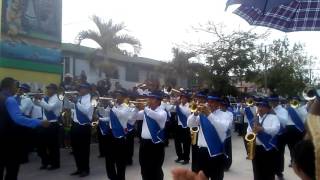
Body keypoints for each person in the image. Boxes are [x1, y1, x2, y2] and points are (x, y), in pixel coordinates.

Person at [0, 77, 49, 180]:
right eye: (16, 86)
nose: (17, 89)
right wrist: (39, 122)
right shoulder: (10, 100)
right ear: (10, 86)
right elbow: (18, 119)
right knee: (11, 170)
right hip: (8, 141)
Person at [187, 95, 229, 180]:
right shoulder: (201, 114)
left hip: (216, 152)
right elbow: (190, 124)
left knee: (216, 177)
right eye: (209, 102)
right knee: (202, 177)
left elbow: (223, 128)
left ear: (218, 104)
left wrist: (209, 114)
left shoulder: (225, 115)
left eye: (212, 102)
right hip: (202, 151)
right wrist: (194, 114)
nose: (209, 104)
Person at [104, 90, 136, 180]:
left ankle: (121, 178)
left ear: (124, 97)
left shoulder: (126, 107)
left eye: (119, 95)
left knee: (120, 161)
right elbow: (106, 115)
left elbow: (121, 115)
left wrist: (112, 107)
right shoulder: (113, 106)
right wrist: (102, 107)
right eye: (116, 95)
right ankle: (113, 177)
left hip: (120, 135)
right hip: (110, 133)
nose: (117, 97)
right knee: (109, 159)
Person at [246, 98, 280, 180]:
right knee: (257, 171)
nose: (260, 108)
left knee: (268, 171)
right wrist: (251, 133)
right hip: (255, 148)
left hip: (268, 149)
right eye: (259, 106)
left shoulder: (273, 117)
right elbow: (248, 131)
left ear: (268, 109)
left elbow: (276, 129)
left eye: (263, 106)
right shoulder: (254, 119)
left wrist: (262, 129)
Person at [136, 90, 167, 180]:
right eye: (149, 98)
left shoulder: (162, 112)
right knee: (144, 168)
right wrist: (135, 108)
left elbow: (157, 117)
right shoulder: (146, 111)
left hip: (156, 144)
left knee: (155, 169)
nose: (149, 100)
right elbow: (134, 117)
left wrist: (144, 108)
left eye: (152, 99)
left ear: (158, 101)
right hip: (144, 143)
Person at [66, 82, 94, 177]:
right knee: (76, 149)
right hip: (75, 125)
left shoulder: (91, 99)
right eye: (80, 88)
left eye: (83, 88)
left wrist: (76, 102)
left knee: (84, 150)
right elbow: (68, 107)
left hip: (84, 126)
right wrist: (66, 99)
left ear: (88, 89)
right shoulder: (79, 98)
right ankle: (79, 168)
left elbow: (86, 111)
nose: (80, 90)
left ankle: (85, 169)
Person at [34, 83, 63, 170]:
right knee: (41, 145)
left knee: (52, 146)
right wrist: (36, 100)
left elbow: (49, 108)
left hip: (53, 124)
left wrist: (40, 99)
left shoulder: (57, 98)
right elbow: (38, 105)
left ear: (54, 90)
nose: (48, 90)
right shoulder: (46, 98)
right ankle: (45, 162)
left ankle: (54, 164)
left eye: (50, 89)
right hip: (44, 123)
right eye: (48, 89)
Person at [269, 94, 288, 180]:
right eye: (271, 101)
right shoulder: (269, 109)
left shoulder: (283, 110)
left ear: (277, 101)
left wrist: (275, 114)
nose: (271, 103)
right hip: (272, 134)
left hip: (280, 135)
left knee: (279, 154)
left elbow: (284, 122)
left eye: (273, 101)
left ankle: (279, 172)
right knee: (271, 153)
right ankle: (272, 169)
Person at [284, 97, 307, 167]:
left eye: (296, 101)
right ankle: (293, 161)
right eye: (293, 101)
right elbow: (285, 119)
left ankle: (299, 161)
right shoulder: (288, 109)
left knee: (299, 146)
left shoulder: (302, 109)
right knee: (291, 147)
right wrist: (287, 108)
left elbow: (305, 119)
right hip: (289, 129)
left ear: (299, 102)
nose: (294, 102)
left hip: (298, 130)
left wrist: (298, 109)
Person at [174, 91, 192, 164]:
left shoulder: (189, 106)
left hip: (186, 126)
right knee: (177, 142)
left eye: (184, 98)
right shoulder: (179, 105)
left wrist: (177, 106)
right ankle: (180, 156)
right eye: (182, 98)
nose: (183, 99)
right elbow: (170, 109)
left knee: (186, 143)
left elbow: (186, 113)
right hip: (179, 125)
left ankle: (186, 158)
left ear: (187, 99)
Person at [219, 97, 234, 171]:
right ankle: (220, 164)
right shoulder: (218, 112)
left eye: (224, 105)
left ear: (226, 106)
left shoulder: (230, 113)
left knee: (227, 150)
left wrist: (221, 125)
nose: (222, 107)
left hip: (226, 135)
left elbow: (229, 124)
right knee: (220, 150)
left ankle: (227, 165)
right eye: (221, 105)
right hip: (219, 134)